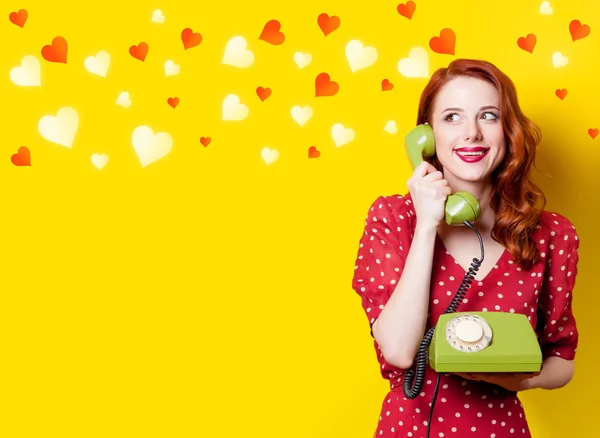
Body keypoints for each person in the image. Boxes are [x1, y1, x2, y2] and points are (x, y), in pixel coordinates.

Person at [351, 58, 581, 438]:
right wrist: (427, 224)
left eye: (488, 116)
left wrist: (516, 382)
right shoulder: (393, 218)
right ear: (426, 136)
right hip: (410, 428)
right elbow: (399, 351)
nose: (471, 133)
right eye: (452, 117)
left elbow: (563, 360)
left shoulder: (551, 234)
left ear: (508, 131)